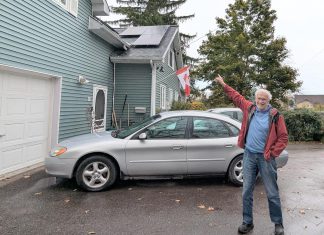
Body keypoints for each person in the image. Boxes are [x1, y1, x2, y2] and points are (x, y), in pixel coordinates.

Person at [215, 74, 288, 235]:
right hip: (249, 155)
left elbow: (283, 137)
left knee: (272, 192)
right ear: (255, 99)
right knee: (246, 191)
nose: (261, 101)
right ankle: (247, 223)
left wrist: (273, 153)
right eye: (259, 98)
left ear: (268, 101)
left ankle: (278, 224)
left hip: (266, 158)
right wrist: (223, 83)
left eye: (264, 99)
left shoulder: (275, 115)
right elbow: (236, 96)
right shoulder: (250, 108)